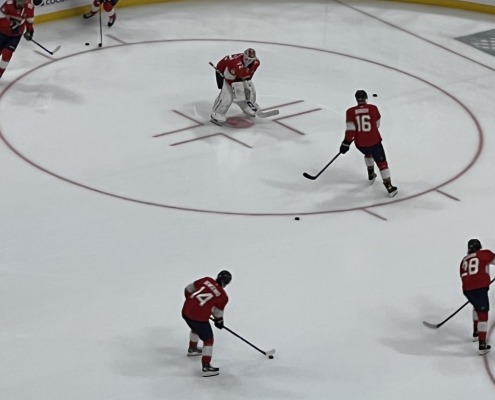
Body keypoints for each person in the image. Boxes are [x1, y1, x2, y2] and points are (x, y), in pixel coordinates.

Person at [339, 90, 398, 197]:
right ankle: (389, 186)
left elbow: (350, 130)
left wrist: (346, 143)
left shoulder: (350, 111)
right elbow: (377, 124)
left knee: (368, 153)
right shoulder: (373, 108)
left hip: (360, 144)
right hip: (374, 141)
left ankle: (371, 173)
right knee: (382, 163)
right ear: (366, 98)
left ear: (357, 99)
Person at [181, 270, 232, 377]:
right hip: (198, 319)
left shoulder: (206, 280)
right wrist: (219, 321)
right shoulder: (223, 297)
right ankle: (206, 366)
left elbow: (188, 289)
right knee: (208, 340)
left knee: (195, 328)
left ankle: (192, 348)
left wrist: (192, 303)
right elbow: (217, 312)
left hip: (185, 312)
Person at [460, 239, 495, 355]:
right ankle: (482, 344)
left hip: (467, 289)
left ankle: (476, 331)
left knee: (477, 307)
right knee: (483, 312)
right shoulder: (483, 254)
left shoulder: (464, 260)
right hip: (479, 288)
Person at [210, 48, 260, 126]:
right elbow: (228, 77)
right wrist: (237, 89)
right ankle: (217, 112)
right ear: (243, 55)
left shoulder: (256, 63)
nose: (247, 61)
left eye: (250, 59)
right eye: (246, 58)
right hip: (226, 74)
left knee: (250, 90)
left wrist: (245, 86)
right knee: (228, 95)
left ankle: (247, 106)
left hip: (240, 75)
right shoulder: (234, 63)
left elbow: (249, 75)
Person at [0, 0, 34, 79]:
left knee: (8, 53)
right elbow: (1, 17)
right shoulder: (8, 4)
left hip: (16, 35)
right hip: (2, 32)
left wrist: (30, 32)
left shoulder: (29, 7)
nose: (23, 4)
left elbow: (29, 21)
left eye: (24, 1)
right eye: (21, 1)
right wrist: (11, 22)